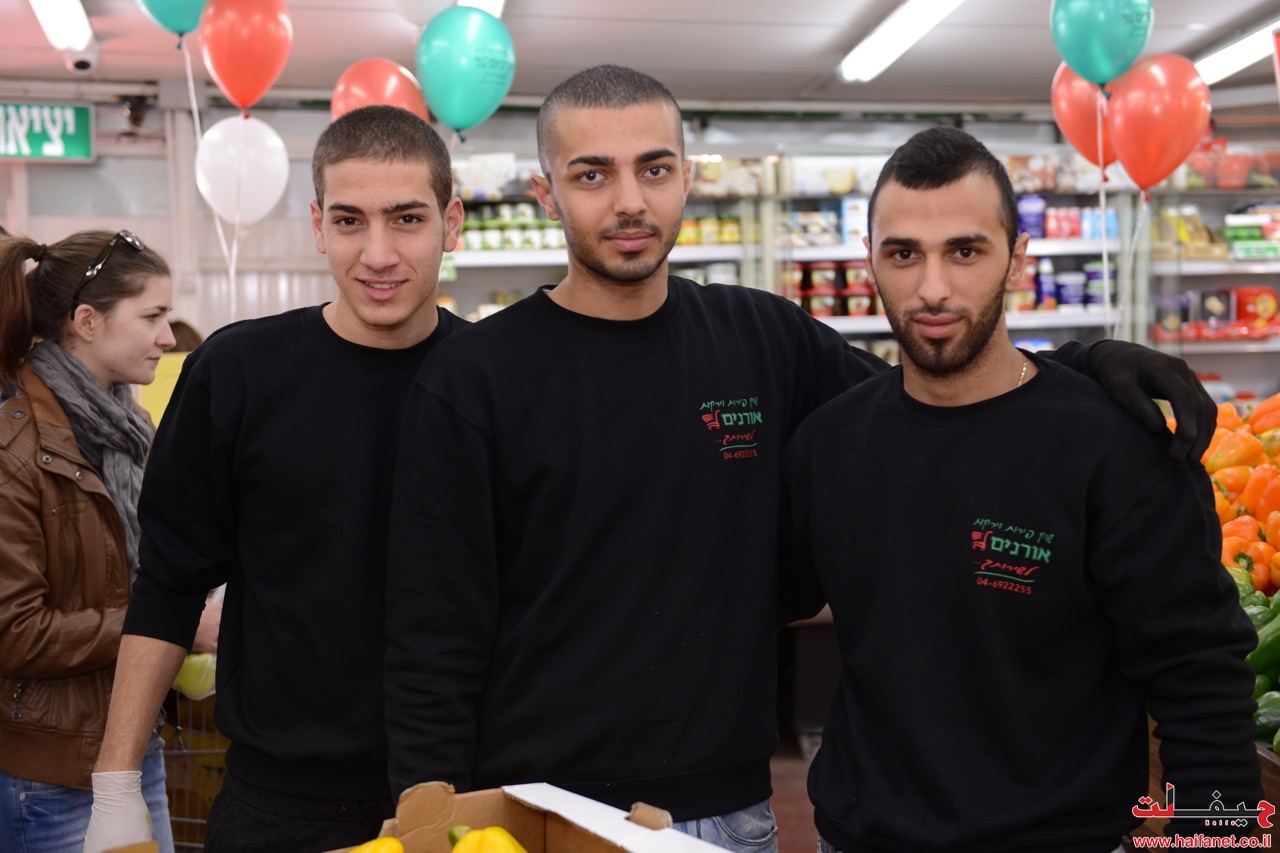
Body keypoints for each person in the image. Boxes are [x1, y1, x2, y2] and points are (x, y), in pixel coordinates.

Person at [382, 64, 1219, 853]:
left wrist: (1086, 365)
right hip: (542, 806)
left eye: (654, 169)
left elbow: (938, 390)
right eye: (593, 174)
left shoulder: (762, 337)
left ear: (687, 178)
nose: (630, 200)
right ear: (546, 192)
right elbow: (432, 639)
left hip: (730, 808)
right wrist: (434, 821)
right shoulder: (474, 377)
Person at [779, 126, 1262, 851]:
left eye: (965, 251)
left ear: (1017, 260)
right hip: (856, 837)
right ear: (870, 259)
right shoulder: (829, 444)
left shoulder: (1115, 446)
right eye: (904, 253)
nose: (932, 288)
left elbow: (1200, 676)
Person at [85, 104, 465, 853]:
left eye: (407, 219)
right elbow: (168, 585)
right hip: (278, 806)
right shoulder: (237, 373)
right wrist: (116, 781)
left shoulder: (496, 380)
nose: (378, 253)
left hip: (461, 797)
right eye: (350, 221)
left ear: (450, 224)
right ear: (318, 225)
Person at [0, 228, 179, 853]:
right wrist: (167, 622)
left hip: (133, 745)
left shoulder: (129, 430)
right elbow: (14, 632)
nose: (168, 337)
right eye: (152, 316)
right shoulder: (15, 450)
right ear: (87, 322)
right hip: (53, 775)